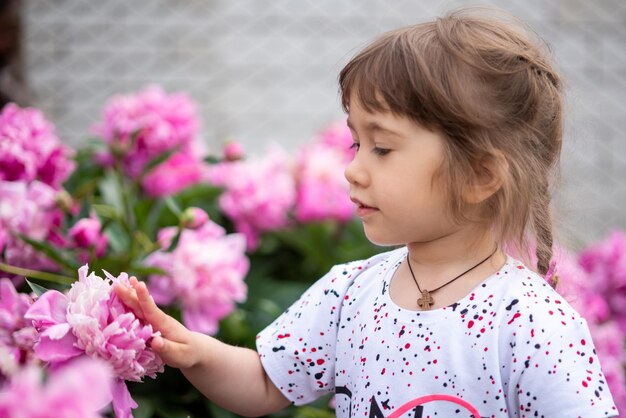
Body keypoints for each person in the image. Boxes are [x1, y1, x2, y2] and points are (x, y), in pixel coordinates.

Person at [116, 7, 619, 418]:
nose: (353, 169)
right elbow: (265, 382)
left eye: (382, 148)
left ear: (480, 176)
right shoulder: (349, 293)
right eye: (356, 142)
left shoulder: (531, 323)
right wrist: (195, 351)